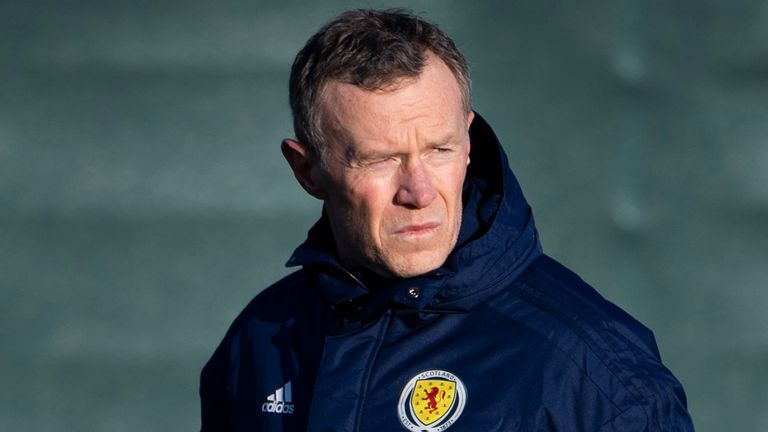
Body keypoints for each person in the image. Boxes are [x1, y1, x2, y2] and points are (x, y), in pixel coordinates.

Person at [200, 8, 694, 431]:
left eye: (439, 150)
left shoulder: (596, 372)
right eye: (380, 159)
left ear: (469, 142)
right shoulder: (261, 339)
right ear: (307, 169)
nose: (418, 191)